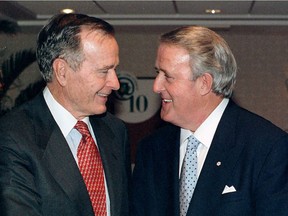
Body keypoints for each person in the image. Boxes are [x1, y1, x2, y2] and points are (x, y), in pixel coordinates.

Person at [131, 26, 288, 216]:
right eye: (157, 73)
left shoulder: (267, 147)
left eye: (168, 77)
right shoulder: (151, 149)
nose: (156, 86)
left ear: (204, 83)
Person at [0, 14, 131, 216]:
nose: (115, 83)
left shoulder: (115, 130)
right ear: (62, 71)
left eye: (114, 69)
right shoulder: (14, 136)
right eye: (104, 71)